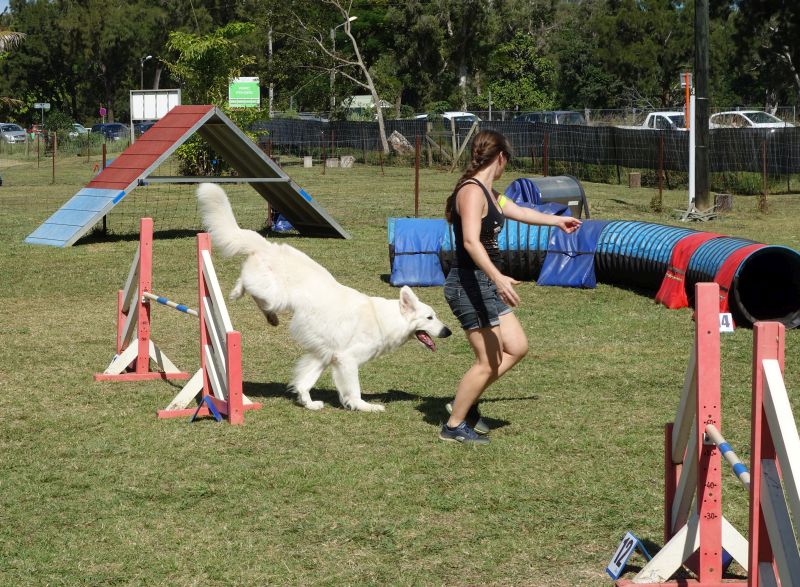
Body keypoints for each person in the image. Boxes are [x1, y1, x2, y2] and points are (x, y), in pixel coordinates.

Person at [439, 130, 581, 445]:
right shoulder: (472, 192)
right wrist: (499, 277)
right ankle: (453, 425)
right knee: (488, 361)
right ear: (501, 157)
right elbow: (470, 242)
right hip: (468, 283)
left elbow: (521, 212)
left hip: (483, 281)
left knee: (517, 347)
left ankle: (465, 398)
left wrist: (557, 221)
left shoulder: (491, 192)